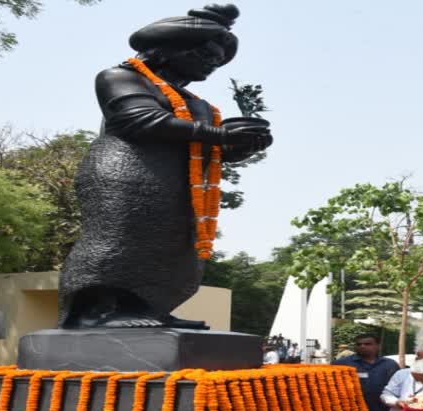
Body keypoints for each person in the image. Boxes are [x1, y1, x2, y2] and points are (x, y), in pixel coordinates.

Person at [58, 4, 273, 329]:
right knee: (122, 237)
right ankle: (96, 309)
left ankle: (149, 306)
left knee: (173, 246)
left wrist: (240, 146)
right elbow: (138, 119)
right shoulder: (120, 77)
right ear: (168, 50)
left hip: (178, 182)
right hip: (126, 174)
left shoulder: (194, 101)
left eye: (217, 60)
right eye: (204, 55)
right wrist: (220, 134)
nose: (212, 63)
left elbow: (206, 150)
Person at [333, 334, 399, 411]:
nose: (362, 346)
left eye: (367, 344)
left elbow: (397, 387)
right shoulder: (341, 364)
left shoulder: (390, 364)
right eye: (359, 344)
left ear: (378, 346)